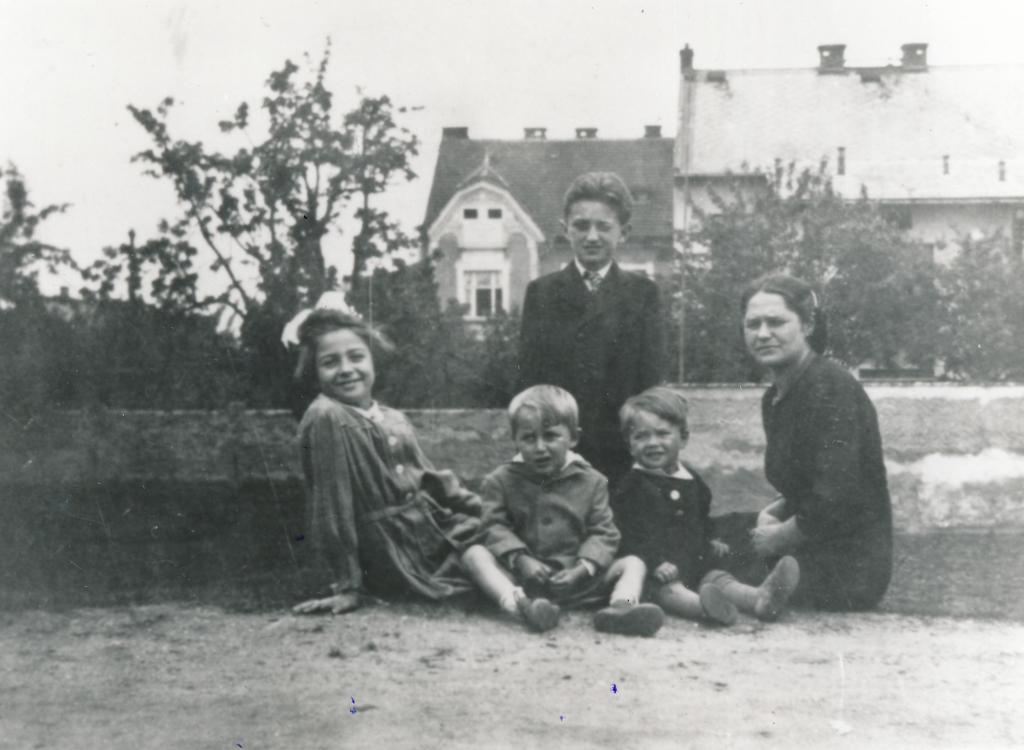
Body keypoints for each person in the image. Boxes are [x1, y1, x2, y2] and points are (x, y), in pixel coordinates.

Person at [291, 308, 486, 615]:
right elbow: (333, 506)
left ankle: (545, 585)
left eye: (356, 357)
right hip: (392, 549)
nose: (346, 369)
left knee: (501, 531)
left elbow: (431, 480)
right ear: (314, 372)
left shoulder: (393, 417)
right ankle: (519, 597)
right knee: (483, 559)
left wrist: (486, 509)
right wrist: (348, 585)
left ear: (373, 360)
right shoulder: (328, 416)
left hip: (431, 527)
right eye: (330, 362)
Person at [717, 274, 894, 611]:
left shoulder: (831, 387)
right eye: (753, 324)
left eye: (776, 322)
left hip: (848, 565)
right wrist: (773, 511)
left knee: (702, 557)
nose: (762, 334)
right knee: (698, 531)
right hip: (806, 536)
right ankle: (628, 598)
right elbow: (805, 482)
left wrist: (779, 536)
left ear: (808, 325)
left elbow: (836, 493)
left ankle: (739, 596)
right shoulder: (775, 398)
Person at [461, 385, 665, 636]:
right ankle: (520, 606)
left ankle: (622, 608)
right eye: (528, 438)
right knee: (474, 555)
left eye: (550, 436)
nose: (539, 447)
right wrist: (522, 560)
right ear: (515, 440)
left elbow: (604, 532)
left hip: (579, 580)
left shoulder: (592, 481)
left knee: (633, 563)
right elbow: (493, 526)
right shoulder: (500, 480)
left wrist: (581, 570)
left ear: (574, 438)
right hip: (525, 578)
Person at [518, 172, 664, 488]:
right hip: (561, 453)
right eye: (581, 226)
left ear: (624, 232)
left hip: (622, 453)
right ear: (565, 229)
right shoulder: (542, 294)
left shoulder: (643, 294)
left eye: (604, 227)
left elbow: (650, 381)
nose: (592, 236)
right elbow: (529, 382)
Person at [613, 387, 801, 624]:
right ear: (630, 445)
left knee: (719, 579)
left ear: (683, 438)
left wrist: (711, 538)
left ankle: (759, 598)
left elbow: (701, 517)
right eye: (641, 437)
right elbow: (626, 533)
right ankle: (706, 610)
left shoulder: (692, 481)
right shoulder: (631, 486)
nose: (652, 443)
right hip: (658, 572)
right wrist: (653, 562)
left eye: (662, 434)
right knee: (671, 590)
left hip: (696, 564)